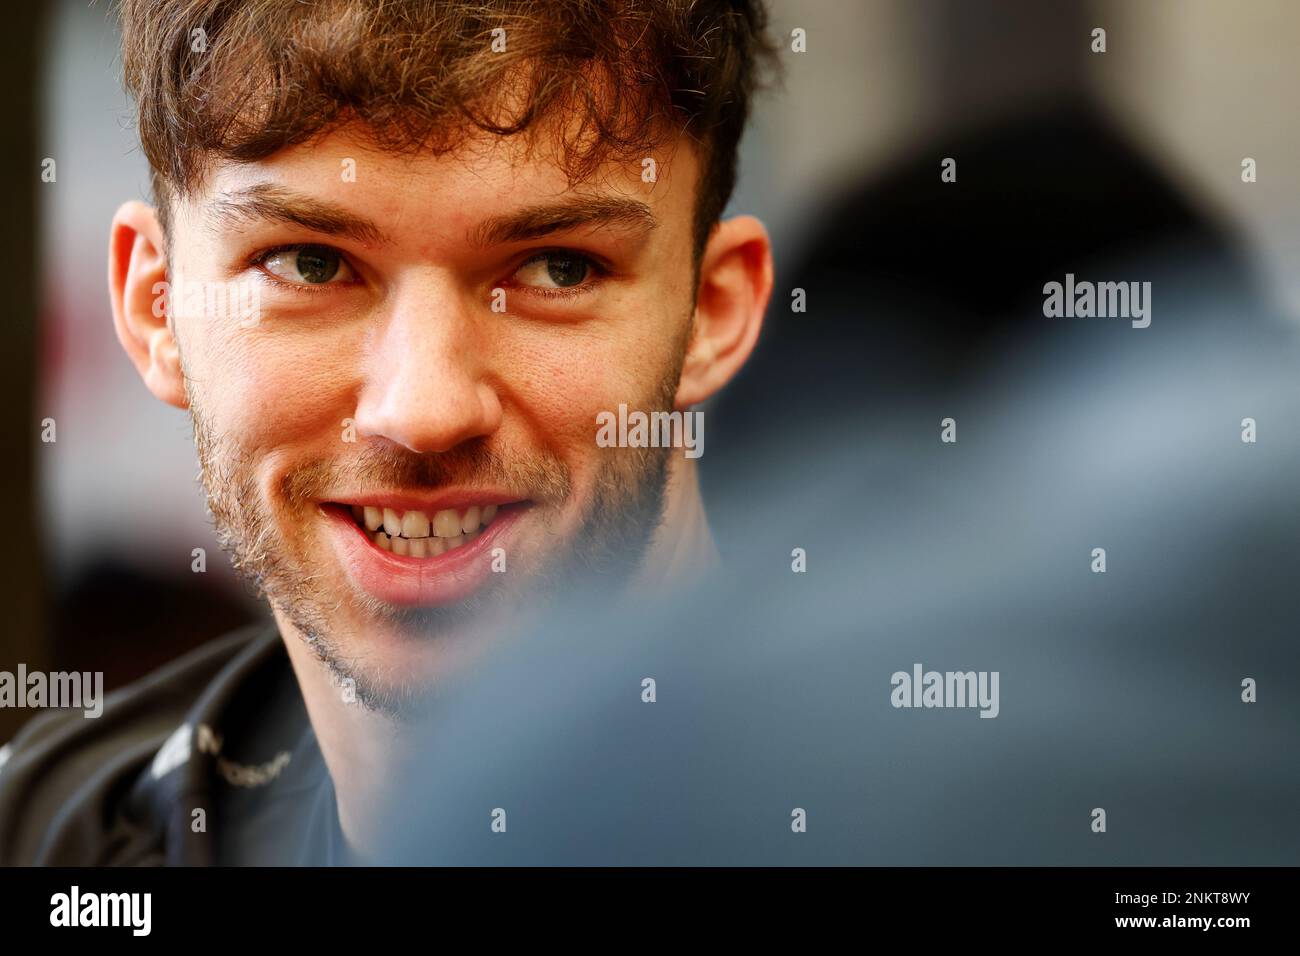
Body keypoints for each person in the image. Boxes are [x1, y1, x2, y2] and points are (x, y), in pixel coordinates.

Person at [0, 0, 777, 865]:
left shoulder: (924, 809)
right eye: (310, 264)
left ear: (714, 309)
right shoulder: (52, 841)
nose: (423, 411)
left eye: (558, 268)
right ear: (156, 309)